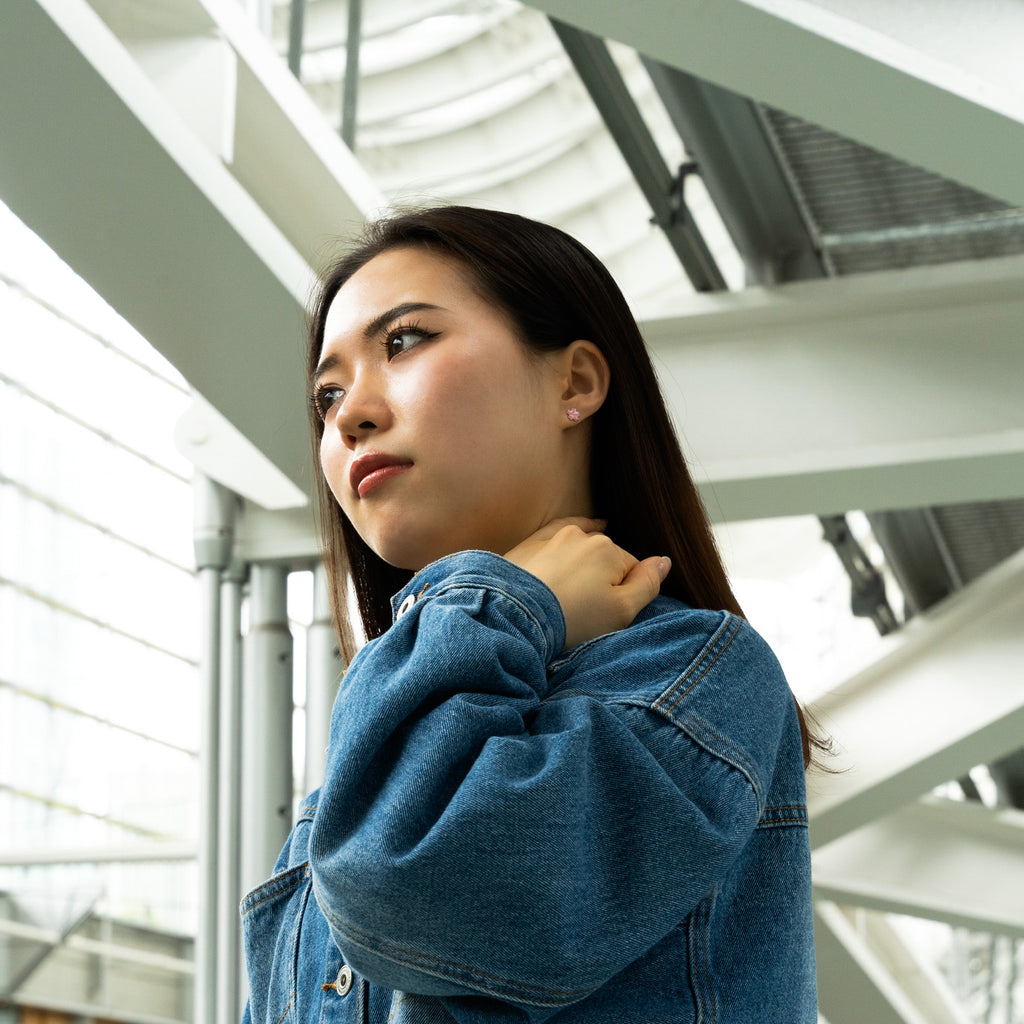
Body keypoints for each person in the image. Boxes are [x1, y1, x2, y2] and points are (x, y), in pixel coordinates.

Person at [240, 206, 820, 1023]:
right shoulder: (356, 779)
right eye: (326, 393)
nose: (347, 414)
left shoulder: (697, 676)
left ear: (575, 382)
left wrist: (501, 604)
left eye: (403, 341)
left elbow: (401, 884)